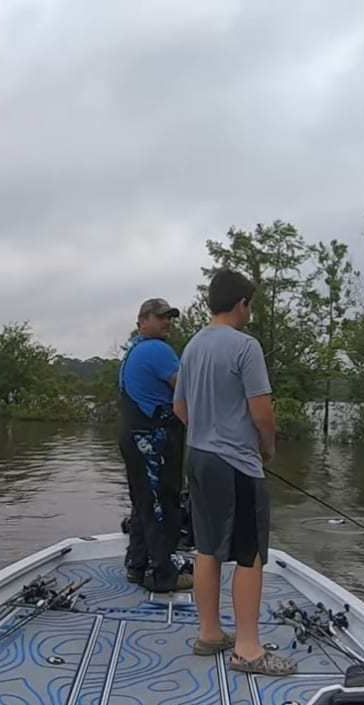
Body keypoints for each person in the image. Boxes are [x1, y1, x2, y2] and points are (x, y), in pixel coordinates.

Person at [173, 269, 296, 676]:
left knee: (206, 548)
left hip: (199, 458)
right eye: (250, 305)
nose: (250, 313)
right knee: (250, 554)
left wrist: (207, 432)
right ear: (242, 303)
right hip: (237, 465)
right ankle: (247, 649)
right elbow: (263, 412)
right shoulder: (246, 346)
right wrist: (268, 448)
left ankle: (210, 634)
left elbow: (180, 409)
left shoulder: (192, 346)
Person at [118, 298, 193, 593]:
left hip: (132, 438)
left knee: (142, 503)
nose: (167, 323)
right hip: (153, 441)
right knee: (163, 505)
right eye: (161, 318)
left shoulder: (133, 351)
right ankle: (164, 575)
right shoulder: (157, 350)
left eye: (169, 318)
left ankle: (137, 566)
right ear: (142, 321)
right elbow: (186, 390)